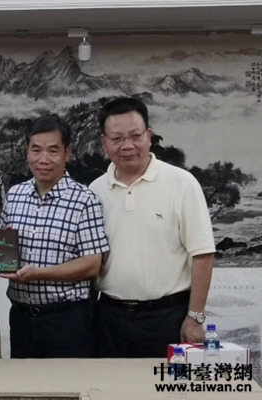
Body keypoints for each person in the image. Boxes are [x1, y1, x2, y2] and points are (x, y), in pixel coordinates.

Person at [89, 97, 215, 358]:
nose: (127, 146)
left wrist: (195, 318)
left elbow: (203, 254)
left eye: (135, 136)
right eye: (117, 138)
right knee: (108, 383)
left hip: (168, 317)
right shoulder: (95, 191)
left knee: (166, 384)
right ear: (104, 143)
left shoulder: (182, 183)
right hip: (110, 319)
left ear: (148, 136)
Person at [0, 115, 109, 358]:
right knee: (23, 382)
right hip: (21, 319)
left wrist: (40, 273)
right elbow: (3, 249)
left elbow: (92, 264)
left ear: (67, 153)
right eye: (36, 150)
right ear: (27, 151)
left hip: (67, 320)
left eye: (53, 151)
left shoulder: (84, 200)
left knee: (68, 381)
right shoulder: (15, 195)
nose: (43, 159)